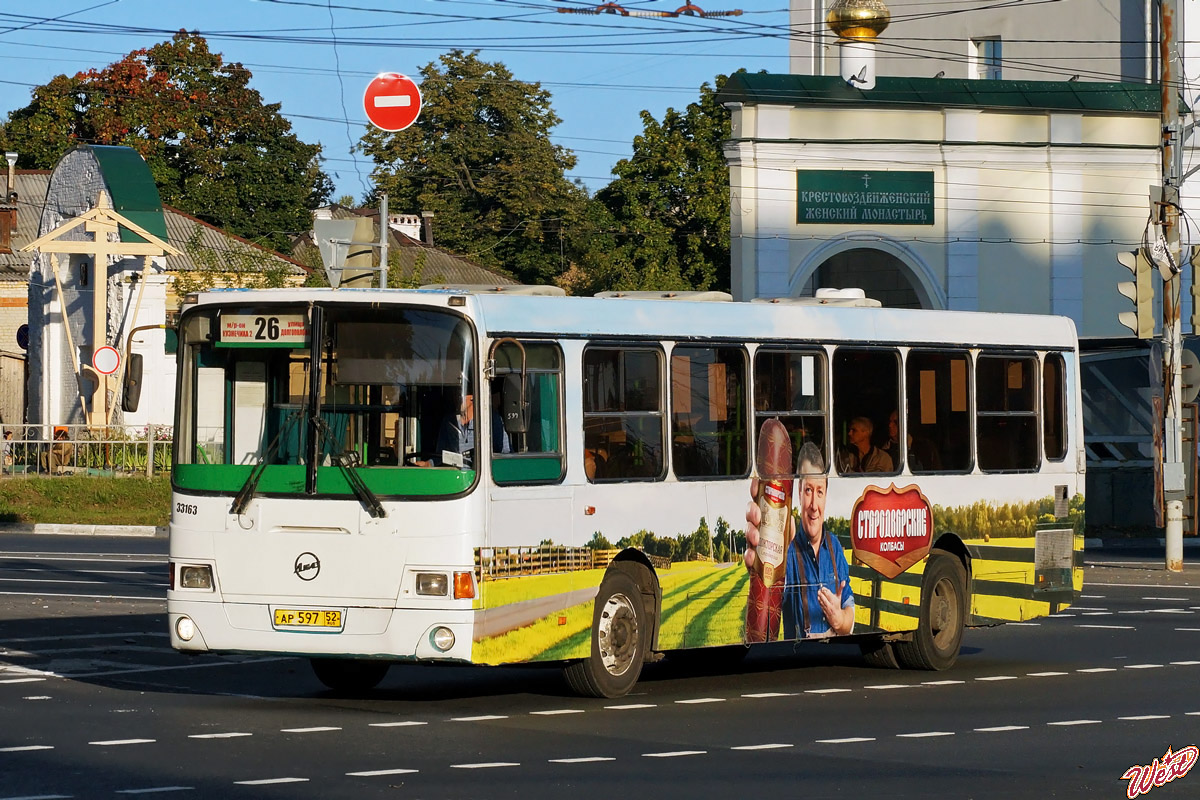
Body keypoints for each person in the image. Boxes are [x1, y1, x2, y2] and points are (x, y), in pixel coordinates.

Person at [745, 442, 855, 639]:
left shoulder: (835, 547)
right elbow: (772, 596)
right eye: (808, 491)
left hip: (831, 659)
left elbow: (849, 613)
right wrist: (760, 566)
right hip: (797, 654)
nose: (814, 505)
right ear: (798, 494)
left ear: (826, 496)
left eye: (819, 492)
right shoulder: (786, 550)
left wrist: (840, 620)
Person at [422, 390, 510, 468]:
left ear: (472, 397)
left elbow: (505, 453)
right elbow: (441, 456)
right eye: (455, 394)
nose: (457, 398)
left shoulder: (491, 420)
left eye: (461, 394)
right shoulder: (448, 422)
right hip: (454, 476)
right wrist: (428, 464)